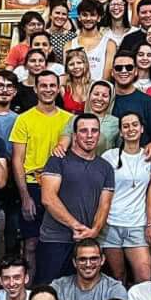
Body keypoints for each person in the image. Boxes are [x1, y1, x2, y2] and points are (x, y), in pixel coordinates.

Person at [10, 69, 75, 281]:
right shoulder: (24, 120)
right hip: (33, 185)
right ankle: (30, 288)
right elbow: (17, 160)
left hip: (62, 187)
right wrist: (25, 196)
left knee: (60, 241)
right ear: (36, 89)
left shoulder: (69, 120)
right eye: (43, 86)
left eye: (52, 85)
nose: (48, 89)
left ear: (58, 89)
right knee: (31, 243)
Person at [37, 113, 117, 285]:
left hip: (87, 244)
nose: (89, 135)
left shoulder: (106, 167)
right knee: (48, 291)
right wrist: (76, 226)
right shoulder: (58, 160)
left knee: (83, 291)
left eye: (94, 131)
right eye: (83, 131)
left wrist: (94, 231)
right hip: (55, 239)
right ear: (74, 135)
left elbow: (104, 205)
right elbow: (48, 198)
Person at [101, 111, 151, 283]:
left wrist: (150, 224)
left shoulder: (150, 156)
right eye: (125, 126)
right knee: (118, 276)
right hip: (111, 224)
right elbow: (101, 191)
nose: (130, 129)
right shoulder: (109, 156)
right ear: (120, 132)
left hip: (137, 225)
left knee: (145, 277)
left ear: (142, 129)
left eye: (135, 125)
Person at [50, 237, 129, 300]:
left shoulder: (114, 289)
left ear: (102, 260)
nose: (88, 264)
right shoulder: (59, 287)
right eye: (82, 259)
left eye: (93, 259)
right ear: (74, 262)